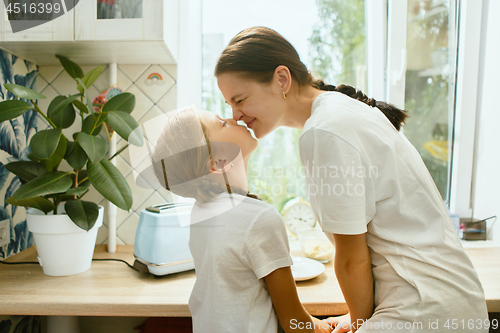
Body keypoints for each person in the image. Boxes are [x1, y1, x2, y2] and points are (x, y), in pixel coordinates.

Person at [214, 26, 489, 332]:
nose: (236, 115)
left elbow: (351, 259)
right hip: (446, 301)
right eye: (230, 106)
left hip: (423, 310)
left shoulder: (325, 129)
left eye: (240, 99)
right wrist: (357, 317)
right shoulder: (338, 113)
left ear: (281, 79)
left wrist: (359, 322)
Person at [151, 107, 331, 333]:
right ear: (218, 161)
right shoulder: (257, 218)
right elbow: (293, 321)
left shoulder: (201, 211)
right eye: (222, 123)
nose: (233, 118)